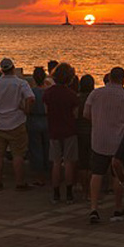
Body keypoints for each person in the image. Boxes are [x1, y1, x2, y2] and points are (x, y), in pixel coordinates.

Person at [84, 67, 124, 223]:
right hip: (118, 142)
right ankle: (117, 207)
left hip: (99, 140)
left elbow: (86, 114)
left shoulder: (95, 94)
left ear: (109, 77)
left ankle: (94, 208)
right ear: (123, 78)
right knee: (118, 175)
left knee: (97, 174)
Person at [0, 58, 35, 191]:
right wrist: (26, 110)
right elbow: (30, 98)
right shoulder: (21, 83)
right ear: (13, 68)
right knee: (18, 155)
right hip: (16, 123)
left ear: (2, 70)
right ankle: (19, 182)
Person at [43, 62, 79, 204]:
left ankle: (56, 193)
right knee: (69, 162)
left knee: (56, 162)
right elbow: (75, 115)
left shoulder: (48, 93)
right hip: (69, 130)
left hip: (54, 130)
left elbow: (47, 111)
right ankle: (69, 193)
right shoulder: (72, 95)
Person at [28, 67, 49, 186]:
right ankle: (47, 174)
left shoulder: (31, 92)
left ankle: (39, 177)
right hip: (47, 120)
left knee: (36, 149)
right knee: (47, 148)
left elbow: (28, 107)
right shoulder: (48, 91)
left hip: (34, 119)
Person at [77, 74, 95, 199]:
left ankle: (84, 190)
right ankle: (91, 192)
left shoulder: (77, 98)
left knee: (83, 163)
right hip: (93, 132)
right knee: (92, 164)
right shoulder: (95, 98)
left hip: (79, 132)